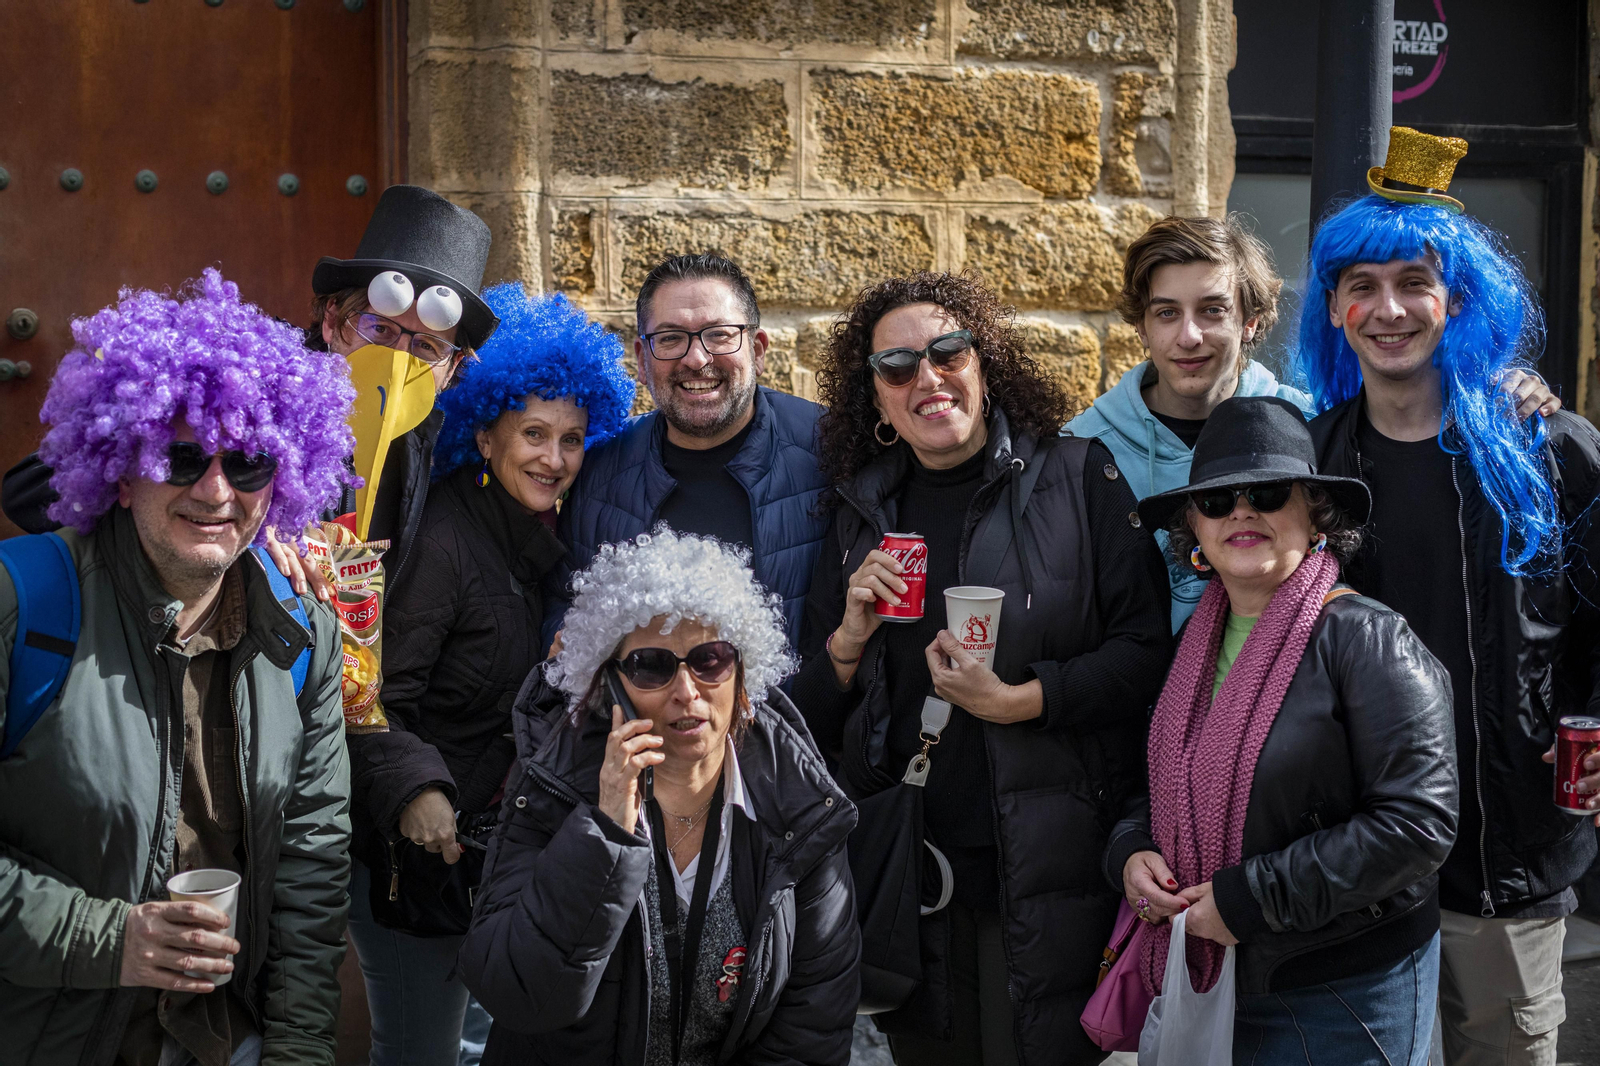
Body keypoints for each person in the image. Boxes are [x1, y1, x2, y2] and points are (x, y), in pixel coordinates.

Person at [795, 271, 1173, 1065]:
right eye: (896, 367)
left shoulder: (1077, 477)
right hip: (912, 875)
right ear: (876, 396)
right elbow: (809, 718)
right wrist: (847, 643)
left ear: (983, 360)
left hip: (1045, 865)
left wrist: (1022, 700)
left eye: (948, 351)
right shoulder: (858, 513)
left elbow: (1147, 659)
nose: (926, 378)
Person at [1297, 127, 1600, 1066]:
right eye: (1363, 287)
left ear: (1457, 299)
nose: (1389, 309)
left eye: (1413, 283)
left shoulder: (1549, 452)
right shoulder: (1308, 467)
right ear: (1337, 311)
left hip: (1506, 858)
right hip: (1357, 861)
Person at [0, 271, 356, 1065]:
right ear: (122, 470)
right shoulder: (23, 604)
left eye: (251, 462)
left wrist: (298, 1054)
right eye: (182, 456)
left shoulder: (304, 640)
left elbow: (310, 871)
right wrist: (108, 941)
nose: (217, 490)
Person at [1112, 395, 1457, 1065]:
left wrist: (1247, 902)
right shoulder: (1192, 643)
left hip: (1341, 996)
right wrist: (1130, 851)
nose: (1241, 510)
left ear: (1316, 516)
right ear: (1195, 532)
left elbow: (1419, 823)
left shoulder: (1366, 638)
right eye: (1215, 501)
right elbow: (1156, 781)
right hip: (1218, 983)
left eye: (1267, 492)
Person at [343, 285, 635, 1066]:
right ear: (484, 435)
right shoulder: (443, 541)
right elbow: (369, 693)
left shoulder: (533, 536)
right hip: (413, 860)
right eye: (533, 432)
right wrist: (417, 788)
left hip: (486, 860)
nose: (554, 458)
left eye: (572, 439)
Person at [458, 529, 860, 1065]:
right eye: (652, 665)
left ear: (742, 677)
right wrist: (605, 833)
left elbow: (812, 1032)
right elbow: (519, 995)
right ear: (610, 686)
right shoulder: (554, 790)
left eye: (710, 659)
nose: (687, 691)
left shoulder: (798, 806)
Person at [1064, 213, 1559, 632]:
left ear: (1251, 320)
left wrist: (1496, 390)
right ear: (1142, 327)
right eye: (1167, 313)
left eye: (1213, 310)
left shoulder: (1311, 429)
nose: (1189, 336)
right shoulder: (1082, 450)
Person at [3, 184, 498, 600]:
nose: (398, 361)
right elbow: (29, 490)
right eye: (380, 330)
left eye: (427, 346)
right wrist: (250, 525)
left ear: (452, 367)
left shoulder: (432, 442)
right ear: (331, 321)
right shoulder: (249, 388)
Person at [549, 253, 829, 644]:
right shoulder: (599, 464)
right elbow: (563, 609)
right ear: (642, 361)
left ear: (758, 350)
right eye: (670, 338)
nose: (696, 359)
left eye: (719, 334)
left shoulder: (830, 448)